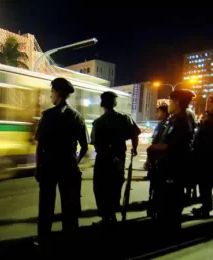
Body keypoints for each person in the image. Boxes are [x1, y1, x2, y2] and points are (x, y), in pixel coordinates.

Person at [35, 77, 89, 244]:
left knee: (46, 205)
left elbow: (39, 146)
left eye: (52, 92)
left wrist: (38, 168)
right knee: (70, 205)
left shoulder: (47, 116)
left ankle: (44, 238)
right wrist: (74, 161)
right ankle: (70, 239)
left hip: (49, 165)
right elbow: (85, 147)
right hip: (69, 165)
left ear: (57, 93)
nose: (50, 95)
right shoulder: (78, 117)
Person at [148, 90, 195, 231]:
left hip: (174, 167)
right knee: (166, 199)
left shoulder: (181, 120)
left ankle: (170, 230)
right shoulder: (175, 118)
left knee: (172, 200)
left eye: (170, 101)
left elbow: (174, 145)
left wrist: (154, 148)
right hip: (169, 166)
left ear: (177, 102)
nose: (168, 104)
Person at [91, 91, 140, 225]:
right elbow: (135, 134)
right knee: (115, 186)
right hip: (119, 159)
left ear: (102, 104)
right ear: (115, 103)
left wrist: (110, 157)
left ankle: (106, 217)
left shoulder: (98, 122)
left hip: (103, 161)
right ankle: (112, 215)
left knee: (100, 188)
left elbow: (96, 144)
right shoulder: (125, 118)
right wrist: (134, 148)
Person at [145, 105, 169, 218]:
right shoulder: (168, 124)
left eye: (159, 112)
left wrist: (148, 159)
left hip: (157, 159)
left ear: (164, 113)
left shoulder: (162, 125)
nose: (157, 114)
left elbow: (154, 141)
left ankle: (153, 207)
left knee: (155, 185)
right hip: (162, 160)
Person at [192, 96, 213, 218]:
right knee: (204, 185)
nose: (208, 105)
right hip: (203, 158)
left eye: (210, 103)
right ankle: (206, 207)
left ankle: (206, 207)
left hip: (208, 157)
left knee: (206, 183)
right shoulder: (206, 118)